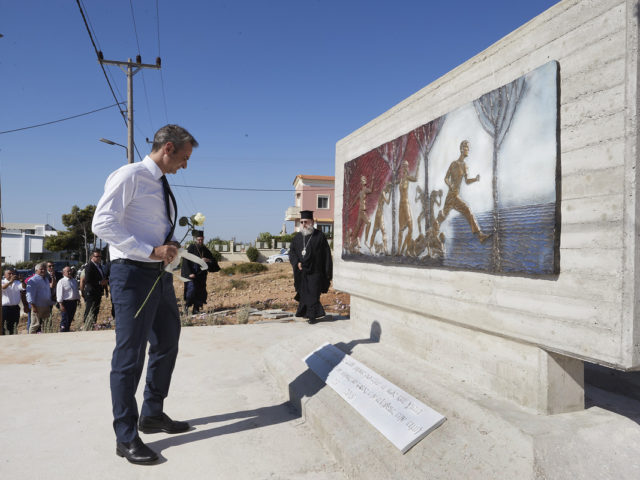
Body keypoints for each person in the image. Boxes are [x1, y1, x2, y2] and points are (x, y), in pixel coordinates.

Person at [92, 124, 198, 465]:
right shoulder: (130, 175)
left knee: (168, 339)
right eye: (183, 157)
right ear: (168, 148)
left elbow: (151, 224)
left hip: (159, 275)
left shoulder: (161, 182)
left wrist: (167, 248)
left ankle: (152, 414)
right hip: (132, 275)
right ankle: (125, 437)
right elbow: (102, 224)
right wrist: (148, 250)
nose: (185, 165)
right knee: (130, 354)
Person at [437, 140, 490, 243]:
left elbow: (466, 181)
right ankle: (431, 232)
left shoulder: (465, 166)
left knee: (466, 211)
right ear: (462, 149)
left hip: (455, 196)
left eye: (468, 148)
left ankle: (480, 235)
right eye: (467, 148)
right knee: (443, 216)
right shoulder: (454, 164)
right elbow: (446, 178)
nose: (468, 151)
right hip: (451, 196)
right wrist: (450, 185)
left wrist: (475, 179)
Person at [289, 210, 333, 324]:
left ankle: (312, 316)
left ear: (312, 222)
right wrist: (297, 262)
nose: (303, 224)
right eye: (302, 222)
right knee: (304, 293)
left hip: (315, 272)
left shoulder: (319, 236)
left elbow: (326, 254)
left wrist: (328, 271)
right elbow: (292, 252)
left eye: (306, 222)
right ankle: (305, 313)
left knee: (313, 294)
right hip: (302, 272)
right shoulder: (297, 237)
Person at [181, 229, 219, 314]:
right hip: (192, 274)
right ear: (195, 239)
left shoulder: (205, 249)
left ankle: (196, 309)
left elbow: (213, 261)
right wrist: (189, 273)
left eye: (201, 239)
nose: (200, 241)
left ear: (203, 239)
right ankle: (186, 307)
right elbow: (185, 261)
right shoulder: (191, 248)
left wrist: (208, 260)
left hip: (201, 275)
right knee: (191, 290)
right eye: (198, 240)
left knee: (200, 292)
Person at [81, 250, 108, 329]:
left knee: (95, 310)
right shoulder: (89, 266)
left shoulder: (99, 266)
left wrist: (105, 287)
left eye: (100, 256)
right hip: (91, 292)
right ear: (92, 257)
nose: (99, 258)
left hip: (97, 292)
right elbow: (88, 280)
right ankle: (87, 325)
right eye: (97, 256)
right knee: (90, 309)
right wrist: (100, 282)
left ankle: (93, 324)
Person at [26, 263, 54, 334]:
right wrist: (33, 306)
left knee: (46, 325)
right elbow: (29, 295)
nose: (43, 270)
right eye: (41, 269)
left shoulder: (46, 279)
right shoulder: (33, 280)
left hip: (46, 305)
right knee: (35, 325)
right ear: (36, 270)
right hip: (37, 306)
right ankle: (30, 341)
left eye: (44, 269)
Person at [2, 268, 26, 335]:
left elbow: (23, 287)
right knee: (4, 326)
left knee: (14, 326)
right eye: (9, 273)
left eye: (12, 273)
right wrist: (10, 282)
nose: (11, 275)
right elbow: (3, 287)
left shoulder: (17, 282)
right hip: (5, 308)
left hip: (15, 308)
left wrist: (22, 281)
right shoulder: (2, 282)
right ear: (5, 275)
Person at [56, 266, 80, 332]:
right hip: (65, 303)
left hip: (73, 302)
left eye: (70, 271)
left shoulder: (74, 280)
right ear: (63, 273)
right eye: (68, 271)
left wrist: (78, 299)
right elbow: (59, 293)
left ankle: (67, 330)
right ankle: (63, 330)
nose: (69, 272)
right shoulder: (61, 282)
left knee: (70, 318)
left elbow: (76, 291)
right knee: (65, 318)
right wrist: (61, 304)